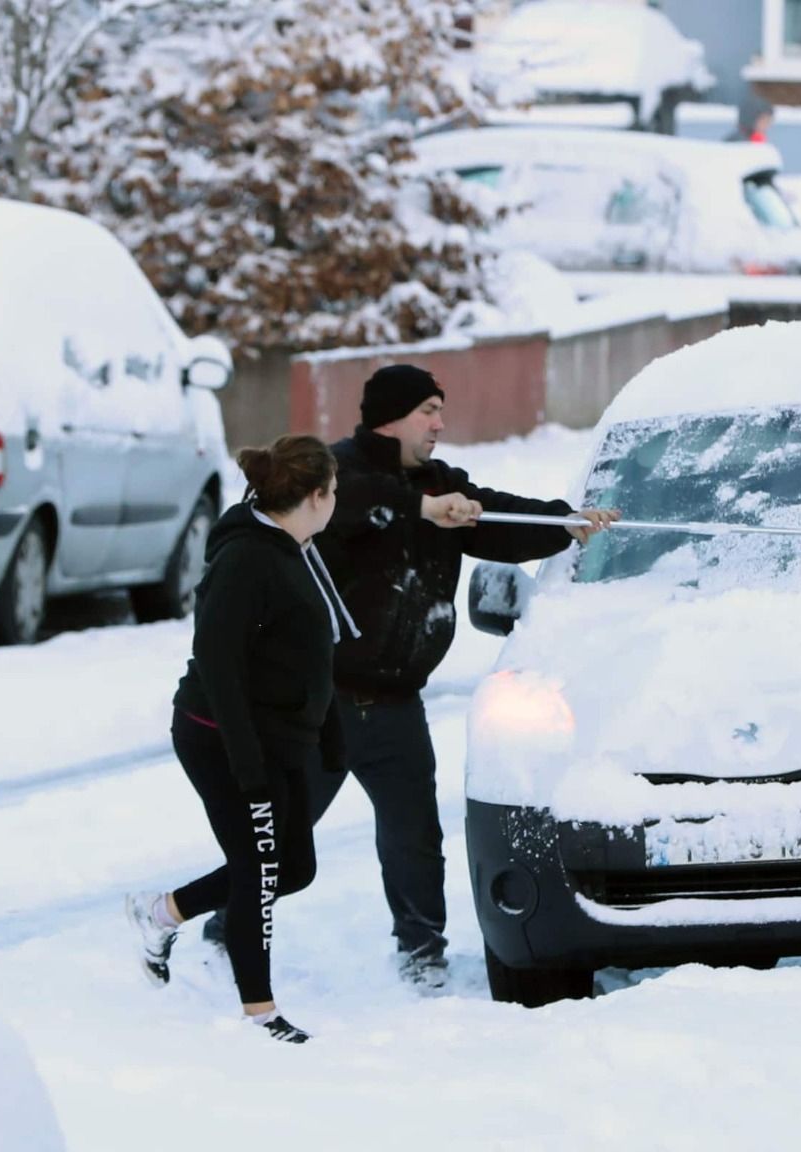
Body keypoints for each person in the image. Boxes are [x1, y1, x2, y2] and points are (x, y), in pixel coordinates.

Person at [204, 365, 618, 991]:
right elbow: (356, 512)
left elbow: (495, 520)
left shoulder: (442, 483)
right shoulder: (336, 477)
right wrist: (422, 510)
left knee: (415, 837)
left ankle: (421, 950)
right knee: (283, 831)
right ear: (391, 416)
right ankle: (225, 926)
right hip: (324, 704)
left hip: (397, 703)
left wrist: (561, 523)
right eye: (428, 410)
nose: (439, 424)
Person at [125, 435, 356, 1044]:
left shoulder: (292, 546)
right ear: (314, 495)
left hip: (276, 738)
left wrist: (328, 734)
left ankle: (161, 912)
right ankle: (260, 1012)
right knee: (258, 869)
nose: (337, 501)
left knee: (294, 867)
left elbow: (311, 654)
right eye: (334, 491)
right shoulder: (247, 560)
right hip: (219, 738)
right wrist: (248, 768)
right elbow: (219, 665)